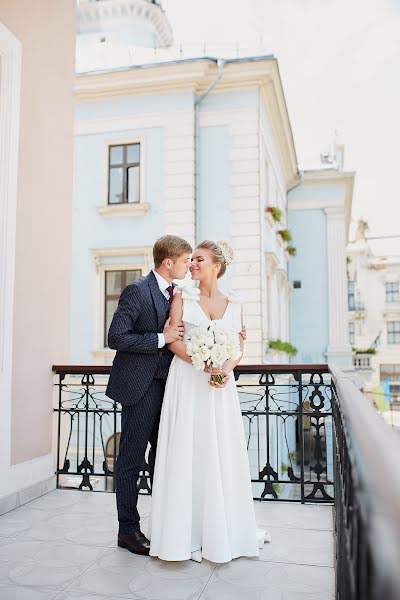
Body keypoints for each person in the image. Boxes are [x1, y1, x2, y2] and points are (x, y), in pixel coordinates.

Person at [149, 240, 271, 563]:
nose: (192, 265)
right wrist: (202, 363)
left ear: (216, 266)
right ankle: (183, 532)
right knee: (188, 450)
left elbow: (238, 348)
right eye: (191, 261)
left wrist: (224, 370)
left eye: (198, 260)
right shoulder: (182, 297)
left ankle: (221, 529)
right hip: (188, 383)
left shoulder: (235, 303)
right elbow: (173, 342)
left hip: (220, 389)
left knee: (218, 451)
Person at [106, 235, 192, 555]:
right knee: (131, 460)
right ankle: (127, 530)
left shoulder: (179, 293)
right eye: (185, 260)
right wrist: (161, 337)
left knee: (162, 458)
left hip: (169, 387)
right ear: (167, 262)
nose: (188, 265)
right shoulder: (136, 291)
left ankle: (165, 524)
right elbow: (116, 336)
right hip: (139, 388)